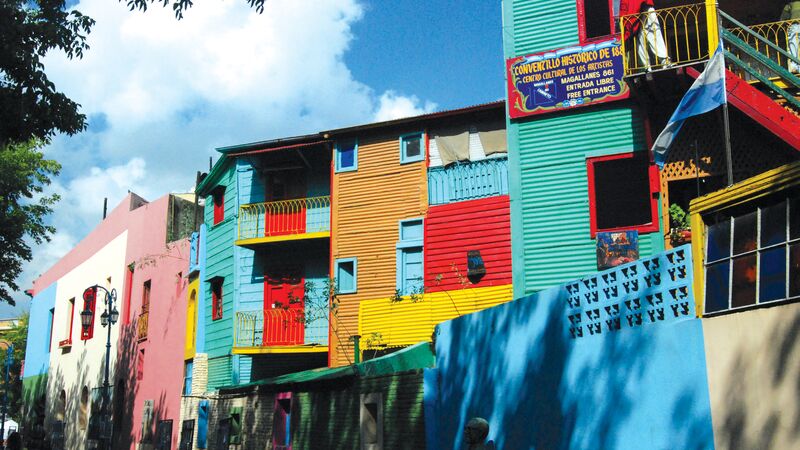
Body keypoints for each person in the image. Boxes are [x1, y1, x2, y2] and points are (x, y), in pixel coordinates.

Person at [621, 0, 672, 71]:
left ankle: (663, 61)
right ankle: (645, 66)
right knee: (640, 36)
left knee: (654, 32)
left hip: (644, 7)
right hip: (633, 11)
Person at [781, 0, 800, 72]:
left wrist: (783, 25)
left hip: (795, 26)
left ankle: (794, 66)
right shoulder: (790, 5)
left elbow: (783, 19)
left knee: (793, 46)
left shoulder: (790, 5)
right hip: (795, 27)